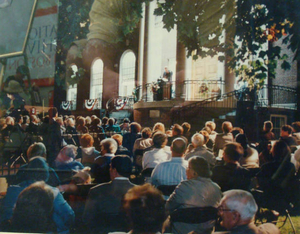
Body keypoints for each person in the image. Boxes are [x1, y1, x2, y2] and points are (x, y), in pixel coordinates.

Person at [0, 157, 75, 233]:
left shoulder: (12, 190)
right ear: (46, 173)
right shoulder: (53, 192)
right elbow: (69, 215)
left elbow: (4, 215)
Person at [166, 157, 222, 234]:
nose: (186, 170)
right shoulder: (216, 188)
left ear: (194, 173)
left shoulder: (184, 186)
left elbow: (168, 206)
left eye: (188, 167)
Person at [83, 155, 135, 233]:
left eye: (110, 167)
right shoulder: (140, 192)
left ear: (114, 170)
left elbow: (87, 219)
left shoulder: (96, 191)